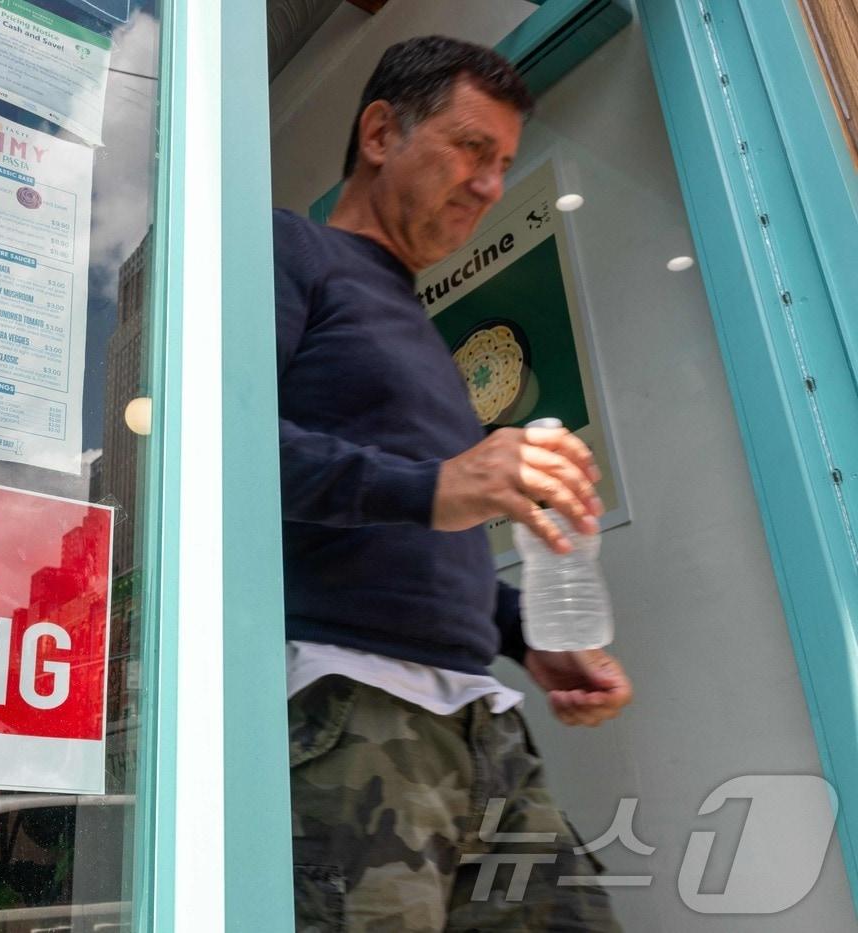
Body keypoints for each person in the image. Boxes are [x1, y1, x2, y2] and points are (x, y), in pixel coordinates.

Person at [276, 36, 633, 932]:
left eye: (505, 165)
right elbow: (229, 455)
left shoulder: (416, 322)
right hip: (349, 707)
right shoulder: (289, 252)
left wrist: (526, 638)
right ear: (380, 131)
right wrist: (440, 486)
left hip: (485, 720)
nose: (488, 185)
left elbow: (421, 527)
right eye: (473, 149)